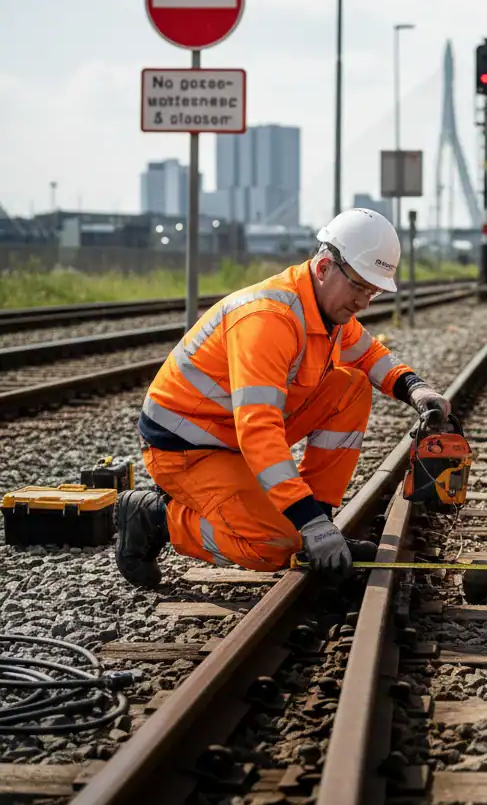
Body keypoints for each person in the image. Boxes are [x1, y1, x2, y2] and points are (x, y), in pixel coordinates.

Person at [114, 208, 451, 588]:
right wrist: (305, 522)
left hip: (229, 435)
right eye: (359, 287)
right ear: (324, 267)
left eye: (372, 291)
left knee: (350, 387)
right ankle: (156, 518)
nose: (364, 302)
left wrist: (416, 388)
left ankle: (317, 525)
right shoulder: (268, 320)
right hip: (187, 448)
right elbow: (258, 430)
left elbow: (370, 356)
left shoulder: (324, 310)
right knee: (272, 546)